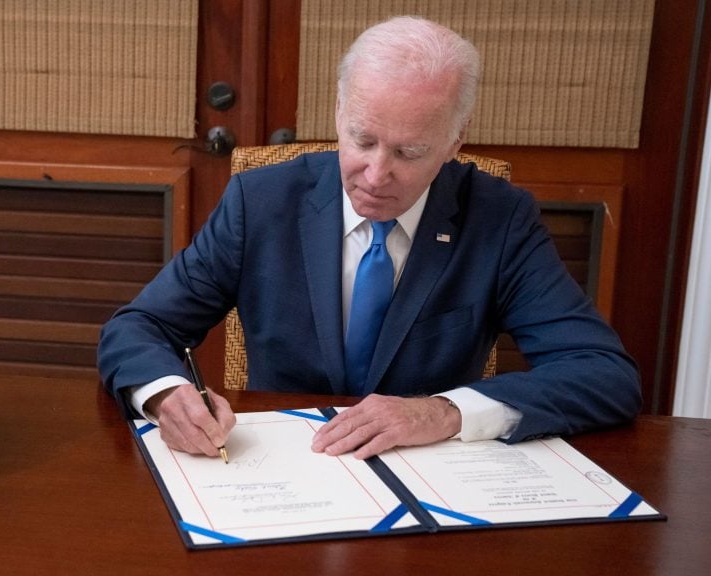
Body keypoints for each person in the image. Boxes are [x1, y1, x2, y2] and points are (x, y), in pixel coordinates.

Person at [97, 16, 641, 461]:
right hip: (284, 471)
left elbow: (603, 376)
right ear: (339, 110)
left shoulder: (499, 218)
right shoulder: (260, 202)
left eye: (408, 153)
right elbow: (140, 327)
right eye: (362, 139)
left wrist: (442, 412)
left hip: (430, 478)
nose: (376, 175)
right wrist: (166, 394)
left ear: (456, 141)